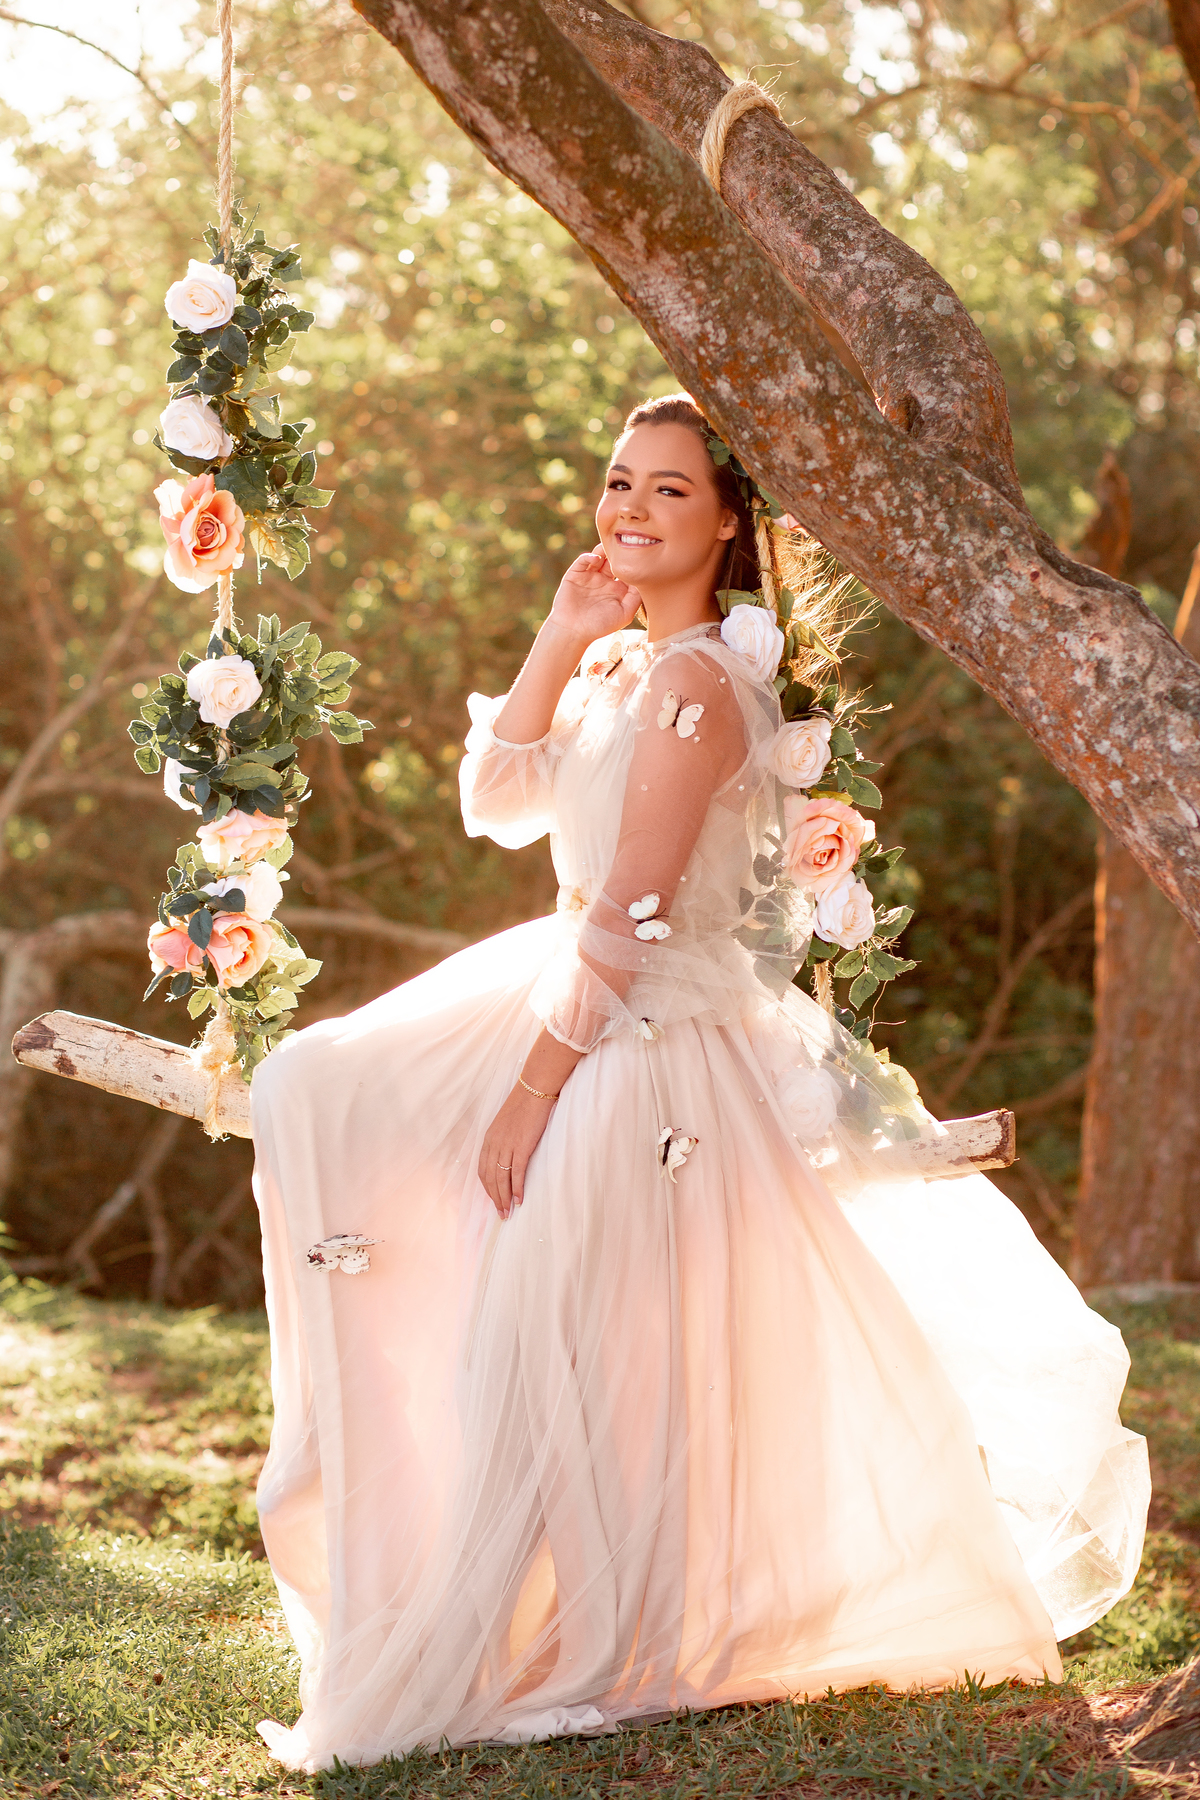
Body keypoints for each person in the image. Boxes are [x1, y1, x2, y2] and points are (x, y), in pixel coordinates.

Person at [250, 394, 1149, 1772]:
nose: (632, 509)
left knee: (566, 1341)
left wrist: (534, 1092)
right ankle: (486, 1577)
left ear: (728, 522)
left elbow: (634, 910)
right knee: (321, 1088)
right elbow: (495, 801)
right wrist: (562, 632)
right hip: (584, 991)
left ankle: (602, 1621)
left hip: (646, 1038)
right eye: (619, 483)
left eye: (669, 492)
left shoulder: (701, 687)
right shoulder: (626, 666)